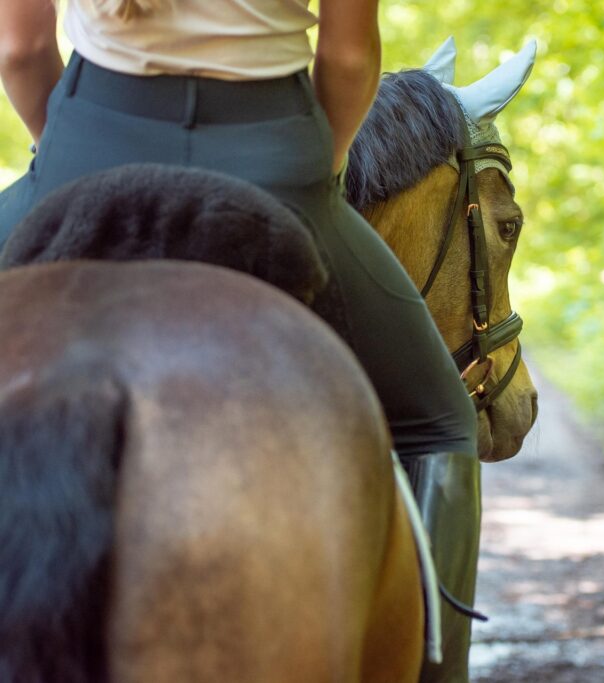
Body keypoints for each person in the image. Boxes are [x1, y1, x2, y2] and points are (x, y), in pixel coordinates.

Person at [0, 1, 481, 680]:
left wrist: (69, 150)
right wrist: (317, 174)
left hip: (87, 144)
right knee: (441, 423)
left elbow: (19, 51)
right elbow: (346, 59)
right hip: (273, 160)